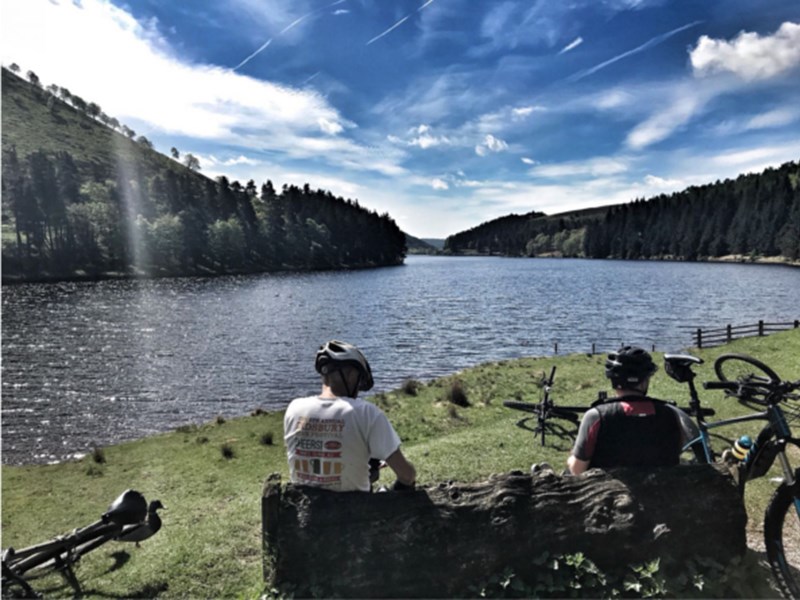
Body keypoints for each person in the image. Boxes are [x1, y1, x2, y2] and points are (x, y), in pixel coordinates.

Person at [283, 340, 416, 492]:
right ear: (351, 375)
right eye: (359, 381)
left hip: (302, 506)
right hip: (357, 507)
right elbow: (407, 475)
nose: (358, 389)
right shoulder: (367, 413)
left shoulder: (294, 409)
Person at [567, 346, 699, 475]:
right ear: (645, 380)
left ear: (613, 379)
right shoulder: (671, 414)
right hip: (663, 488)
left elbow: (577, 470)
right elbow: (674, 454)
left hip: (608, 489)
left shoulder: (596, 416)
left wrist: (572, 458)